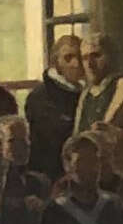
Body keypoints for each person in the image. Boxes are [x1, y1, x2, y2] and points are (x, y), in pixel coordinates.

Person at [27, 32, 91, 163]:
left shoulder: (87, 91)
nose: (76, 64)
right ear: (56, 62)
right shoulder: (41, 97)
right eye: (68, 58)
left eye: (80, 57)